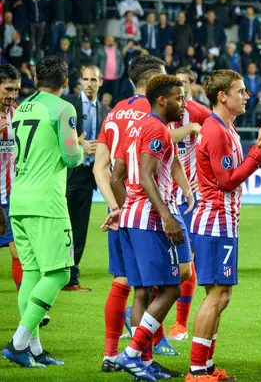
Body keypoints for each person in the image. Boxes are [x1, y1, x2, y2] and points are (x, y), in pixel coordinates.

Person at [1, 55, 91, 367]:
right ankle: (18, 342)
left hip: (19, 199)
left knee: (32, 273)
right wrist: (80, 147)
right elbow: (70, 158)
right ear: (66, 83)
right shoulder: (64, 108)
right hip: (46, 202)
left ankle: (34, 350)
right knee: (60, 272)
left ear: (36, 80)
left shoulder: (21, 107)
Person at [185, 69, 261, 381]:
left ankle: (207, 366)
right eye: (241, 91)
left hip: (222, 223)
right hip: (214, 222)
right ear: (222, 96)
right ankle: (197, 371)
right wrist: (259, 152)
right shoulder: (217, 132)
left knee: (220, 296)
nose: (246, 96)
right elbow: (226, 181)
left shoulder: (226, 128)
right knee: (217, 296)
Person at [111, 74, 194, 381]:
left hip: (132, 219)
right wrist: (167, 216)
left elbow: (116, 176)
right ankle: (132, 354)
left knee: (142, 292)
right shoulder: (157, 129)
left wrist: (123, 209)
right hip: (151, 220)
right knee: (172, 288)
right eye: (179, 97)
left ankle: (141, 363)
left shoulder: (134, 127)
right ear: (163, 100)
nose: (183, 104)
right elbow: (146, 176)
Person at [92, 55, 169, 373]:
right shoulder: (153, 112)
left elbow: (101, 168)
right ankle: (143, 359)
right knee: (152, 287)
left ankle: (112, 355)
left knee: (123, 281)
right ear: (153, 82)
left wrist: (115, 208)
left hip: (122, 210)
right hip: (147, 211)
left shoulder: (114, 113)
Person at [166, 67, 212, 342]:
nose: (180, 91)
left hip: (188, 199)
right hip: (160, 196)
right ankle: (144, 320)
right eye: (177, 84)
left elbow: (218, 142)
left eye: (185, 85)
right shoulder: (161, 113)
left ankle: (180, 324)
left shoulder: (201, 114)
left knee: (188, 260)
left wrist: (202, 180)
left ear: (193, 87)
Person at [63, 65, 109, 291]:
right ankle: (61, 272)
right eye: (86, 79)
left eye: (94, 79)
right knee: (64, 226)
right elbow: (59, 134)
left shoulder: (105, 110)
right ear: (80, 81)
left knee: (79, 227)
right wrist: (79, 144)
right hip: (68, 173)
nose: (89, 83)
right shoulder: (68, 104)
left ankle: (71, 275)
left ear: (101, 82)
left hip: (87, 176)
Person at [0, 64, 21, 292]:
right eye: (7, 89)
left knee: (19, 251)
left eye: (16, 90)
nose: (12, 95)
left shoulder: (19, 114)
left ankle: (26, 307)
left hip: (10, 196)